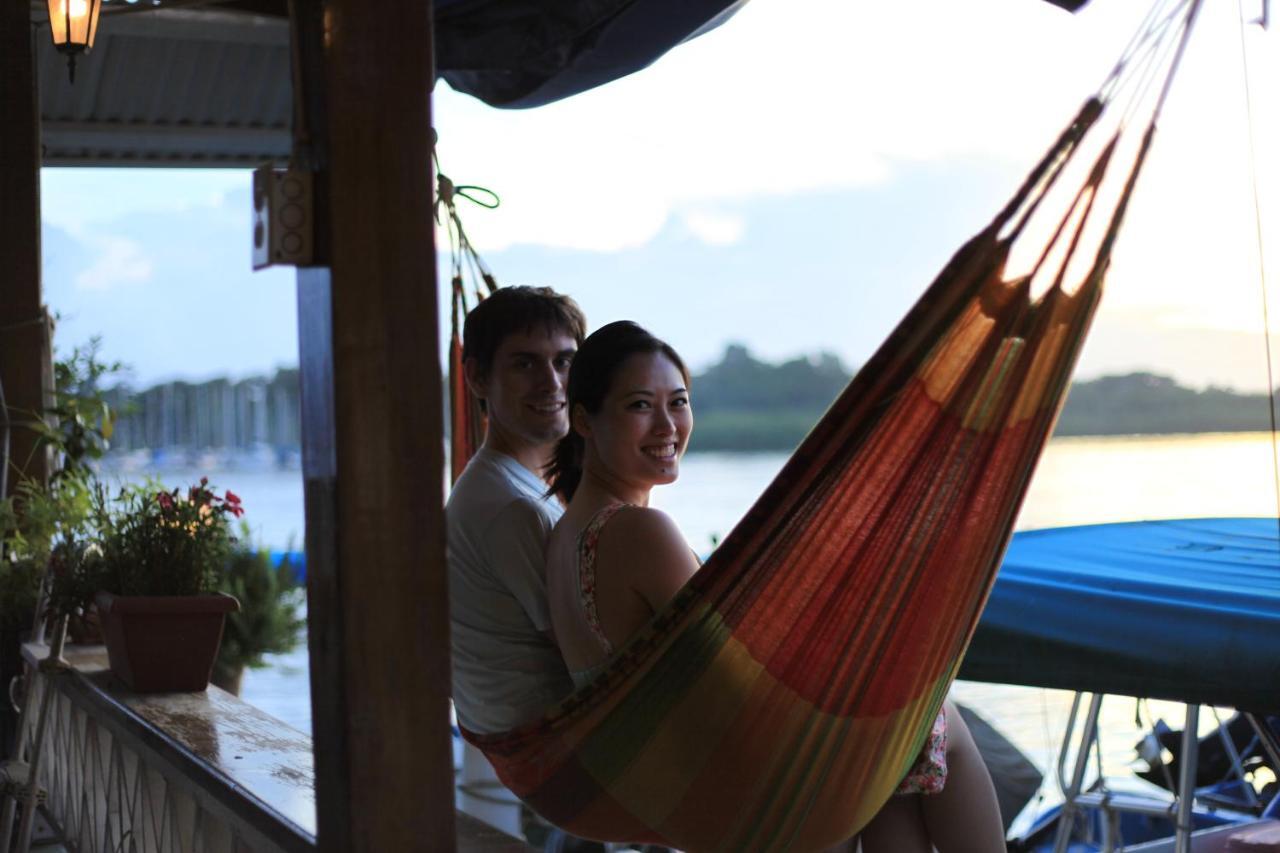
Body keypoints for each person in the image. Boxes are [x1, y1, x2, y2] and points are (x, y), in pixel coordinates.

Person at [542, 320, 1007, 853]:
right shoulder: (638, 530)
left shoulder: (565, 535)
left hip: (666, 779)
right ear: (583, 419)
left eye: (679, 402)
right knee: (931, 714)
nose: (668, 425)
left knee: (900, 761)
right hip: (731, 789)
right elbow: (738, 667)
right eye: (641, 406)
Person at [446, 285, 586, 736]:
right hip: (553, 754)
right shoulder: (511, 507)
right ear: (478, 378)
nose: (552, 382)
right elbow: (588, 654)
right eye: (525, 363)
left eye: (564, 362)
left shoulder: (514, 484)